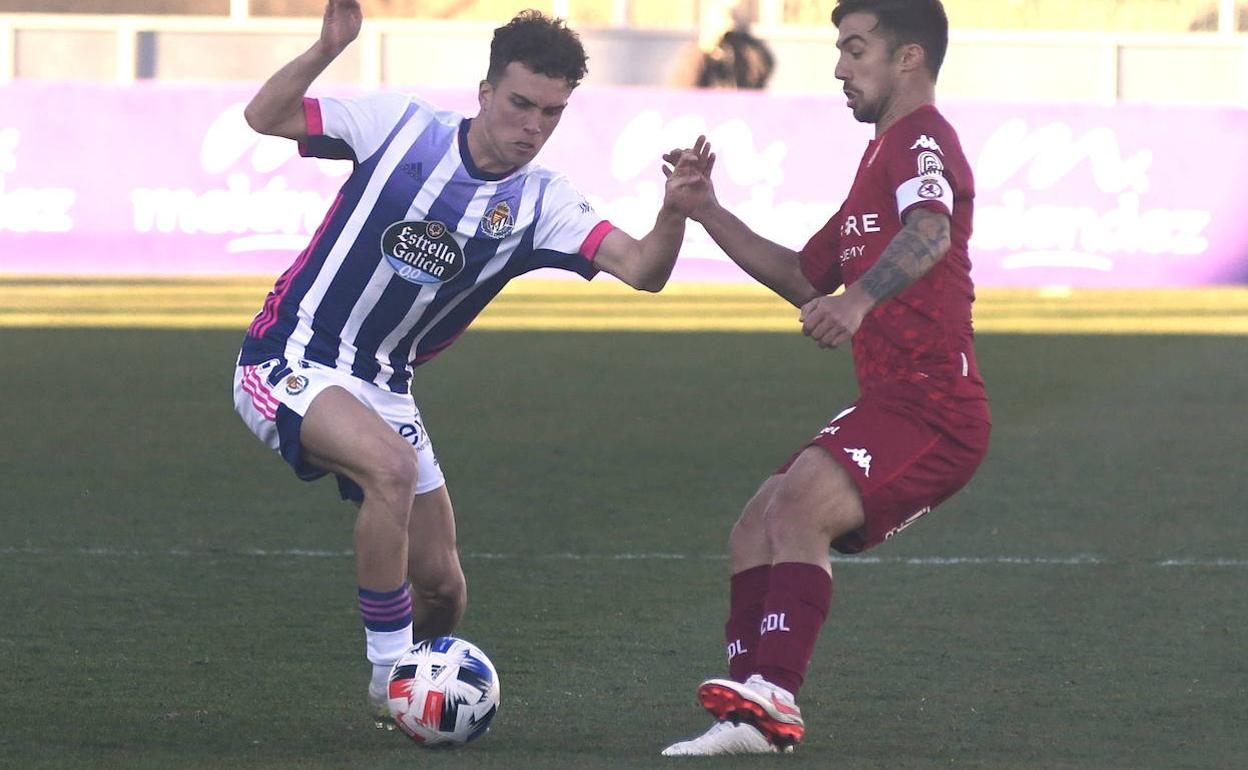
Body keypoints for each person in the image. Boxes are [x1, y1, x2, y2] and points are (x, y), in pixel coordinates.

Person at [230, 0, 710, 727]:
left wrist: (675, 210)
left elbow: (643, 269)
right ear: (485, 92)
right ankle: (390, 678)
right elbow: (265, 115)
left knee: (444, 591)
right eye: (520, 104)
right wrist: (329, 45)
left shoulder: (543, 201)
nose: (533, 127)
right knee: (388, 469)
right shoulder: (400, 125)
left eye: (551, 113)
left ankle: (425, 701)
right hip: (287, 357)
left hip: (387, 387)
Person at [661, 0, 990, 756]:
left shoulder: (923, 138)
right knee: (757, 522)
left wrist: (861, 301)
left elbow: (932, 230)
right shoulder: (877, 159)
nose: (840, 67)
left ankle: (774, 696)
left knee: (803, 500)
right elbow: (805, 275)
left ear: (907, 58)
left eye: (854, 49)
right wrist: (708, 212)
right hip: (894, 401)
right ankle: (743, 714)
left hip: (937, 405)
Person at [697, 4, 775, 89]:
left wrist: (742, 39)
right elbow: (688, 85)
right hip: (710, 99)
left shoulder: (747, 47)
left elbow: (763, 67)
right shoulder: (698, 53)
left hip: (745, 98)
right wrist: (708, 49)